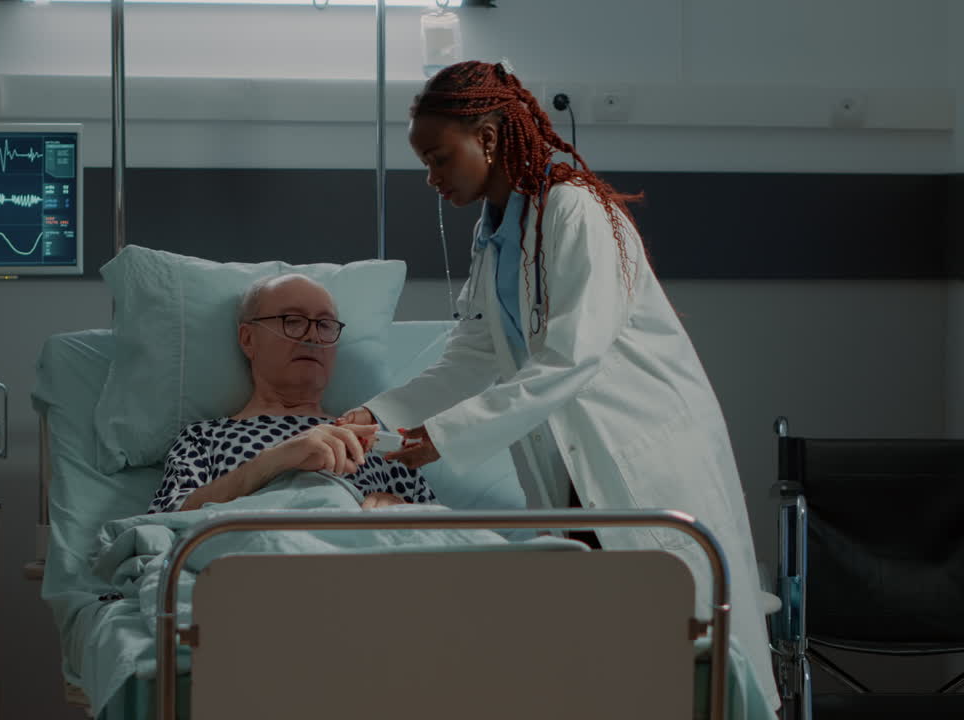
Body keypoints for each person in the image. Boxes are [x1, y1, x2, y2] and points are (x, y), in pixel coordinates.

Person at [336, 60, 778, 708]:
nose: (431, 180)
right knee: (609, 649)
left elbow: (573, 357)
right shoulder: (496, 236)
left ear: (486, 139)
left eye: (438, 158)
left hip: (639, 450)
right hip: (571, 461)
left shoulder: (573, 211)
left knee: (685, 650)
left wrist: (442, 435)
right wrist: (375, 414)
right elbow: (474, 352)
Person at [146, 274, 436, 514]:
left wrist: (400, 511)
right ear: (248, 340)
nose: (312, 336)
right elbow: (167, 521)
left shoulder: (376, 441)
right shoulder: (204, 438)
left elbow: (448, 539)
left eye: (324, 325)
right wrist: (275, 461)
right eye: (292, 320)